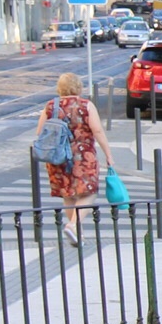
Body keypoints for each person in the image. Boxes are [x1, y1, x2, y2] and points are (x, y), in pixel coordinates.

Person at [31, 72, 115, 246]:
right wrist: (108, 154)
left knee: (68, 194)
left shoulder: (51, 106)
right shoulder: (86, 105)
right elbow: (98, 131)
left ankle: (78, 233)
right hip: (83, 157)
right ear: (78, 87)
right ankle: (73, 224)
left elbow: (40, 133)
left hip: (58, 157)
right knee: (89, 192)